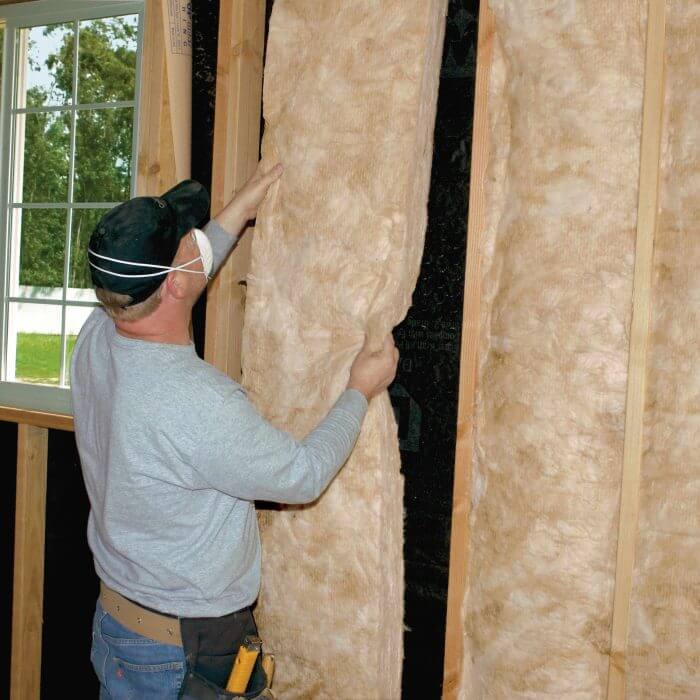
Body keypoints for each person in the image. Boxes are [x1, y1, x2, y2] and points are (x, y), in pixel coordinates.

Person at [70, 163, 399, 699]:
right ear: (173, 282)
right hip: (183, 652)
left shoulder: (97, 333)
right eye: (186, 240)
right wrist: (359, 389)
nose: (195, 240)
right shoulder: (196, 402)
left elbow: (174, 287)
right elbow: (301, 476)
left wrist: (238, 212)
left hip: (120, 627)